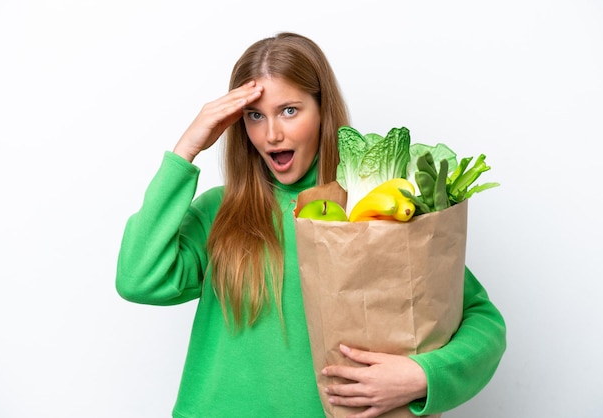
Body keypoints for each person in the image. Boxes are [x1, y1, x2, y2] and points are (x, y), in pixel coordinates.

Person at [115, 32, 506, 418]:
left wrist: (423, 376)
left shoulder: (373, 210)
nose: (271, 134)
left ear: (323, 112)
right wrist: (187, 149)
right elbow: (138, 278)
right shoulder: (222, 211)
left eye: (289, 110)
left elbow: (480, 319)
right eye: (255, 116)